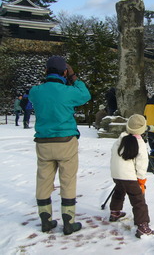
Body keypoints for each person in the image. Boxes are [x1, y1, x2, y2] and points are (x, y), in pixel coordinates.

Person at [29, 56, 91, 235]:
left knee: (43, 179)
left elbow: (41, 92)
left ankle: (46, 220)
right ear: (65, 72)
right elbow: (85, 94)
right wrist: (73, 77)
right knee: (68, 180)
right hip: (65, 141)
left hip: (43, 142)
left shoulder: (35, 91)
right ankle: (69, 221)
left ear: (46, 71)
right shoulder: (68, 91)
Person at [109, 114, 154, 238]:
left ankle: (114, 212)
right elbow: (142, 163)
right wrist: (141, 179)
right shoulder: (139, 142)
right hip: (129, 177)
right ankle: (142, 226)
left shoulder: (120, 139)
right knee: (138, 200)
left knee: (119, 191)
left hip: (116, 174)